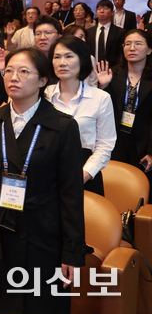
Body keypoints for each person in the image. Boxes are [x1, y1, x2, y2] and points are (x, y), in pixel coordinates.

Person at [0, 48, 87, 314]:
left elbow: (71, 194)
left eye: (24, 71)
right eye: (9, 70)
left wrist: (72, 252)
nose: (14, 77)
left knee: (38, 308)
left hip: (42, 233)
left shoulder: (62, 126)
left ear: (42, 81)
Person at [44, 36, 115, 196]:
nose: (62, 62)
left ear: (82, 60)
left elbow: (105, 145)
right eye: (57, 57)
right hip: (46, 169)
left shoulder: (100, 97)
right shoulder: (45, 95)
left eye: (69, 56)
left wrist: (83, 175)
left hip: (84, 170)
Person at [96, 29, 152, 199]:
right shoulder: (113, 74)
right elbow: (106, 110)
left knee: (141, 190)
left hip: (143, 143)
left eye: (138, 44)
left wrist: (151, 150)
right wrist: (104, 87)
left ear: (149, 50)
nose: (132, 48)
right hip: (116, 140)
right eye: (127, 44)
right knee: (114, 187)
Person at [87, 0, 124, 67]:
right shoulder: (89, 32)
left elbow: (121, 54)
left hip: (113, 69)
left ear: (112, 12)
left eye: (105, 9)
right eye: (99, 9)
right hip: (92, 70)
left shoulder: (120, 32)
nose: (102, 11)